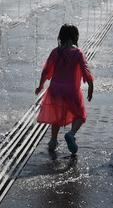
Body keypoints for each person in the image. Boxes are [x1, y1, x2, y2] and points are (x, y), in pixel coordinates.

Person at [35, 24, 94, 154]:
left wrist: (40, 85)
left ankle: (53, 141)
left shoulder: (56, 51)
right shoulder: (77, 52)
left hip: (55, 88)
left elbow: (46, 70)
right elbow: (85, 68)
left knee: (56, 115)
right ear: (76, 37)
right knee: (79, 115)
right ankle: (71, 134)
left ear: (60, 37)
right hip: (71, 90)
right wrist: (90, 84)